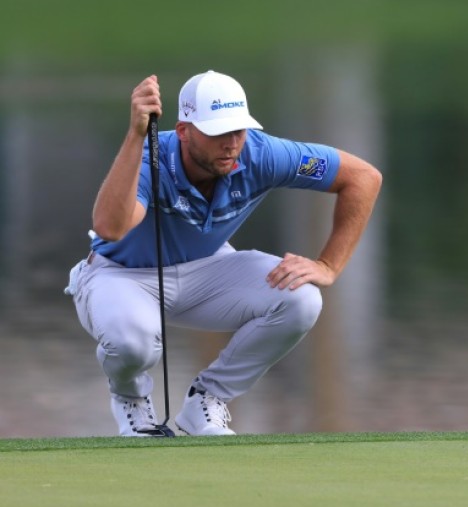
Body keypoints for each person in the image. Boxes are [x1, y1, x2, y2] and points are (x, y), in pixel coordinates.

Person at [64, 70, 382, 436]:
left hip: (207, 268)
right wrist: (137, 135)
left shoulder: (262, 154)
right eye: (218, 133)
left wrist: (328, 264)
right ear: (184, 131)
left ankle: (207, 400)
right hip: (120, 275)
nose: (232, 143)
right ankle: (131, 401)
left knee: (302, 299)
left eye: (238, 130)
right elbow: (111, 227)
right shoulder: (150, 157)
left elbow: (363, 178)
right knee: (132, 343)